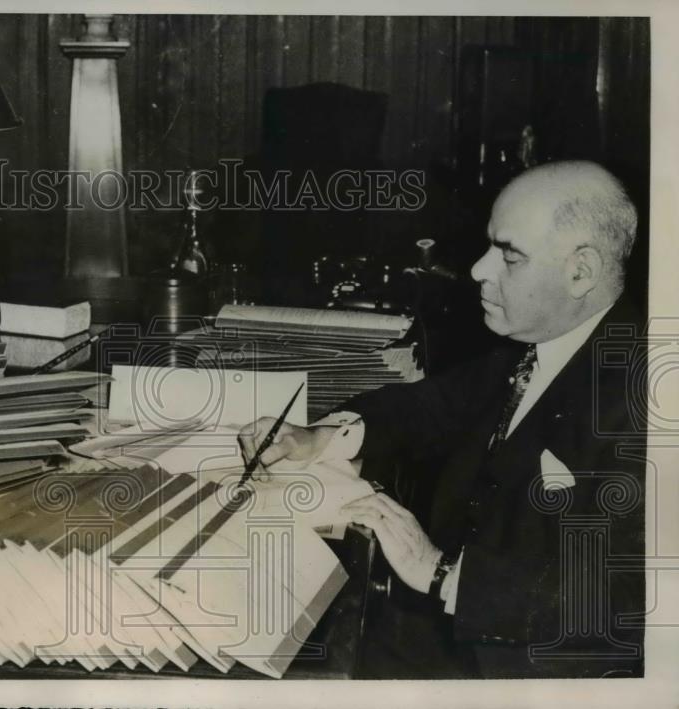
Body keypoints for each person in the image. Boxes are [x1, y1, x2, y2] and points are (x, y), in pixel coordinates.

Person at [239, 160, 646, 679]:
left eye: (509, 256)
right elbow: (429, 407)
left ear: (580, 272)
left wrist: (440, 572)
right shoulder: (538, 344)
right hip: (456, 639)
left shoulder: (647, 395)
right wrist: (319, 438)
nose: (478, 269)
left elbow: (628, 596)